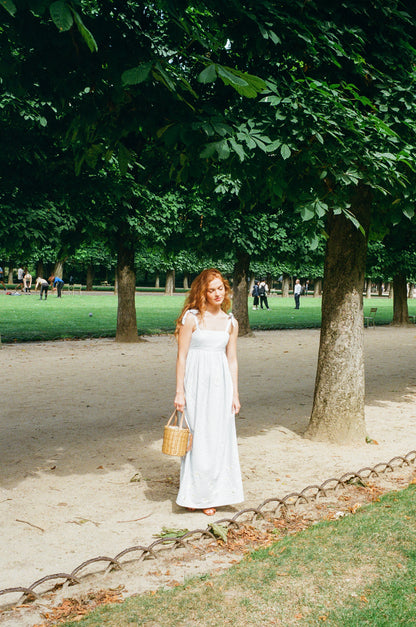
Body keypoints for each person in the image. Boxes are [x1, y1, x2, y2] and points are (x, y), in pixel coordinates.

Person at [174, 268, 244, 516]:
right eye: (211, 289)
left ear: (226, 290)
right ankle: (196, 495)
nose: (216, 293)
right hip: (195, 385)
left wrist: (235, 394)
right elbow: (181, 357)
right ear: (202, 292)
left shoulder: (230, 322)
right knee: (198, 438)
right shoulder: (191, 318)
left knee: (218, 438)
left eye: (220, 288)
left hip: (221, 386)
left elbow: (232, 359)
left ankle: (215, 494)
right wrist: (179, 392)